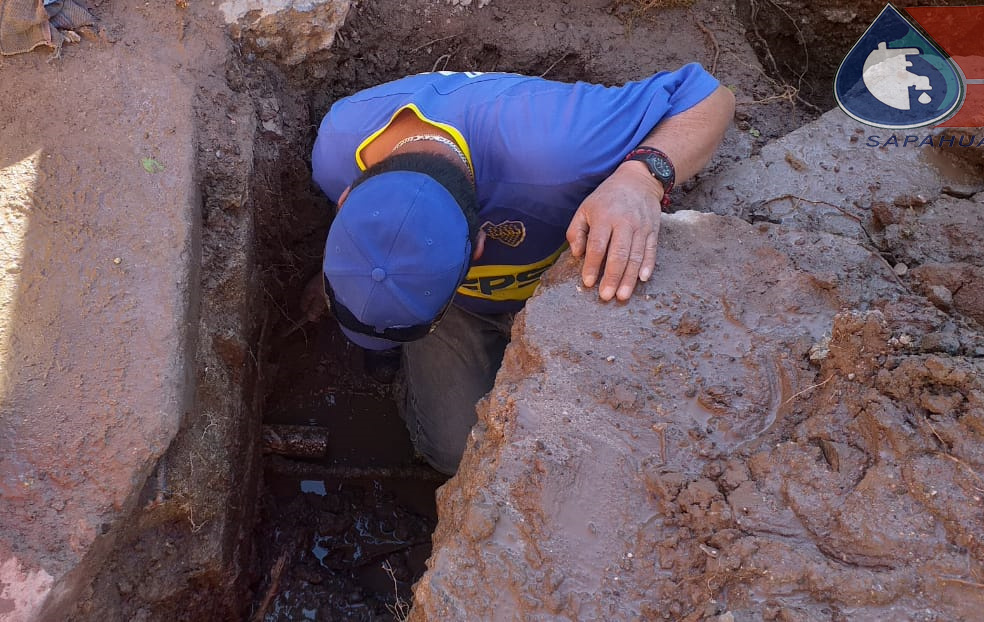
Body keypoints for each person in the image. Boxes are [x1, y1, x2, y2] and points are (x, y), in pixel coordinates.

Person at [304, 65, 735, 475]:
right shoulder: (336, 149)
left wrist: (641, 177)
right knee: (457, 453)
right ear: (345, 197)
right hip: (460, 308)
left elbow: (708, 95)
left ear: (478, 246)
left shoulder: (559, 147)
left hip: (571, 278)